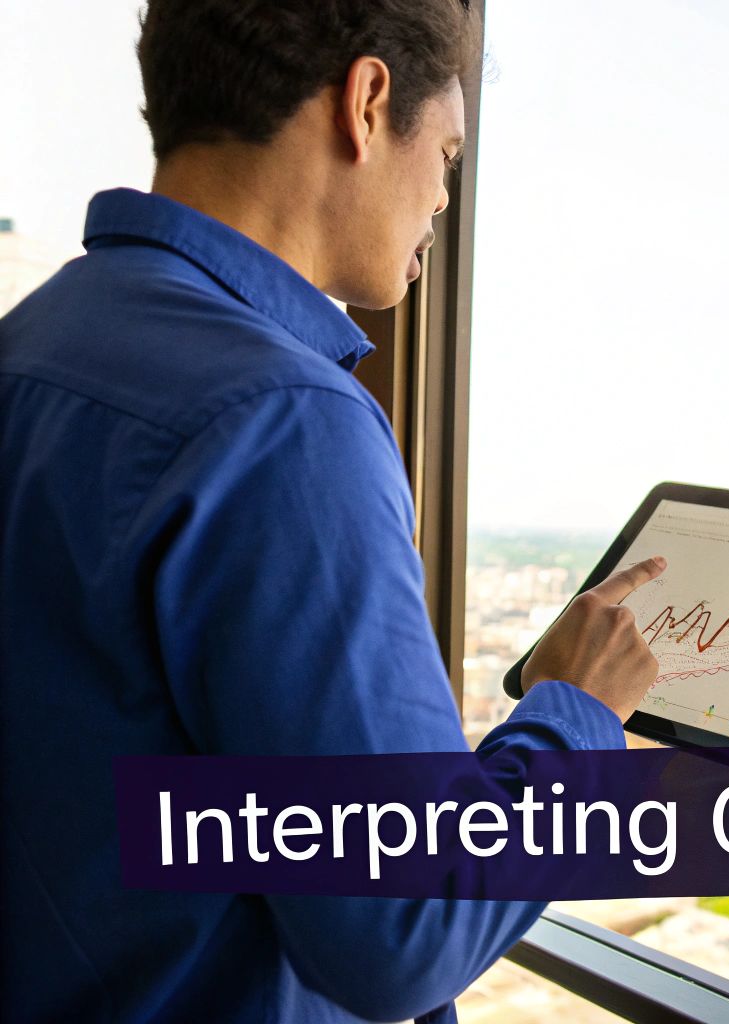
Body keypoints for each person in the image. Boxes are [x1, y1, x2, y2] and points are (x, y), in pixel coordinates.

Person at [0, 2, 663, 1019]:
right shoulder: (284, 420)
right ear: (365, 103)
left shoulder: (32, 342)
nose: (444, 196)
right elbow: (406, 924)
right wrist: (576, 711)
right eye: (446, 152)